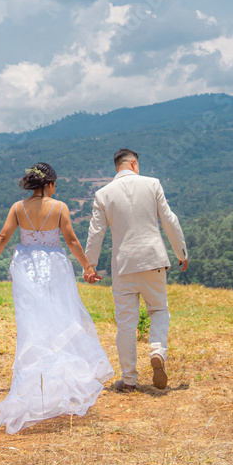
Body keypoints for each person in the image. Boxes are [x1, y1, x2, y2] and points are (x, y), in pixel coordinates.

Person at [0, 162, 113, 433]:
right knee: (59, 316)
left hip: (26, 265)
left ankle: (37, 375)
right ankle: (59, 375)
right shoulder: (59, 207)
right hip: (54, 265)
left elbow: (4, 235)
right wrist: (87, 266)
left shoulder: (18, 207)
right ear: (50, 183)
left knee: (32, 321)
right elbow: (72, 240)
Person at [85, 149, 188, 392]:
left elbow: (95, 233)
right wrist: (181, 252)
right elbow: (169, 220)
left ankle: (129, 380)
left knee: (126, 325)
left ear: (117, 166)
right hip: (153, 261)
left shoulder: (103, 194)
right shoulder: (152, 184)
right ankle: (157, 351)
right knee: (159, 309)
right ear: (133, 164)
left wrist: (90, 266)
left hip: (123, 266)